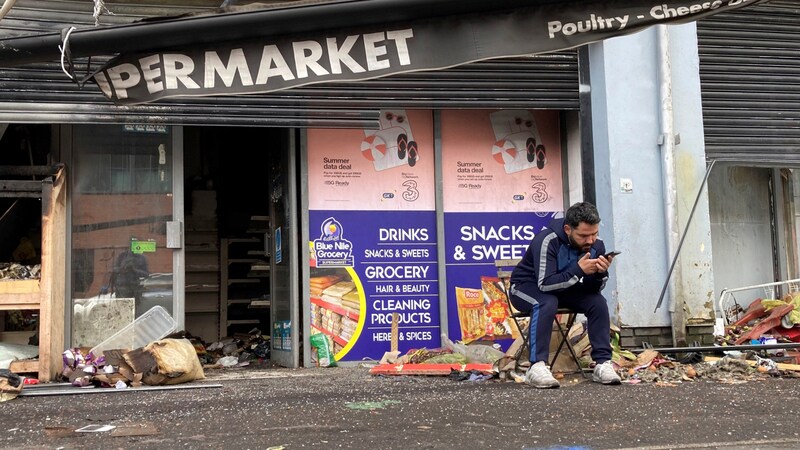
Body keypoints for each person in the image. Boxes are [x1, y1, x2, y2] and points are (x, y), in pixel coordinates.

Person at [509, 201, 621, 388]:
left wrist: (600, 273)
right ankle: (536, 366)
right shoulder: (547, 240)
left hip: (562, 288)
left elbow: (593, 289)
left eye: (594, 234)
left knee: (597, 302)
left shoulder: (596, 245)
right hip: (525, 288)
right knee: (546, 302)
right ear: (568, 229)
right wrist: (578, 270)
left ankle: (602, 363)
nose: (590, 241)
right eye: (584, 236)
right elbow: (544, 284)